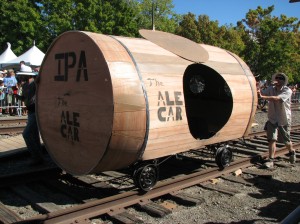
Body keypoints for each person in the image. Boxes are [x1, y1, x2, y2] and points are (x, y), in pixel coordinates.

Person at [257, 72, 296, 168]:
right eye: (277, 78)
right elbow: (261, 93)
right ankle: (271, 160)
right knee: (272, 139)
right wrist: (258, 88)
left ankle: (291, 151)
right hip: (272, 118)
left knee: (286, 141)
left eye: (280, 78)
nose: (278, 79)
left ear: (284, 81)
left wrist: (263, 97)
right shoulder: (271, 89)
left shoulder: (288, 91)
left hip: (283, 119)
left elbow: (277, 99)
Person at [15, 65, 44, 165]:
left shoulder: (35, 83)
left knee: (27, 134)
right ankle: (38, 157)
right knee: (34, 135)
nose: (21, 77)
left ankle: (36, 156)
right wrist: (17, 96)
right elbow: (24, 98)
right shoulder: (25, 85)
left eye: (22, 75)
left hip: (36, 111)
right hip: (30, 111)